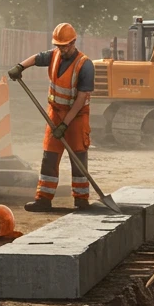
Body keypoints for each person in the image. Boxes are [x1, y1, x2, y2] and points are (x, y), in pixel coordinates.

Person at [7, 23, 94, 212]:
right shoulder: (54, 55)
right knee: (50, 156)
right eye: (58, 45)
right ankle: (43, 199)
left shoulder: (85, 65)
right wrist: (20, 66)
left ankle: (81, 200)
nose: (61, 49)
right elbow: (36, 58)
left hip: (76, 117)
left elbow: (80, 99)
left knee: (78, 157)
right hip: (55, 113)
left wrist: (65, 124)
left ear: (73, 43)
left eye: (65, 46)